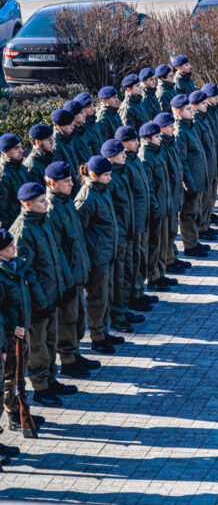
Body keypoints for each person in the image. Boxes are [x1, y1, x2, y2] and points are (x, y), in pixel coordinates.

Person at [10, 182, 72, 407]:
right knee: (38, 345)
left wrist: (63, 286)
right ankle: (40, 387)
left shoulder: (43, 221)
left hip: (51, 294)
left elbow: (54, 257)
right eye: (41, 201)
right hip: (37, 302)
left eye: (46, 199)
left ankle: (51, 379)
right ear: (27, 204)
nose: (47, 203)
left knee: (51, 340)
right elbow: (26, 272)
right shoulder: (23, 230)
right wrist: (41, 301)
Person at [45, 161, 99, 379]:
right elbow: (57, 251)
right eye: (66, 182)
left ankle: (75, 353)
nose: (71, 184)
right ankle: (67, 360)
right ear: (52, 183)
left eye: (70, 180)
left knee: (77, 318)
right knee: (66, 321)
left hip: (77, 272)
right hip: (66, 277)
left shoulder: (65, 202)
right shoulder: (52, 208)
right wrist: (67, 278)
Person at [74, 155, 123, 354]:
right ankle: (96, 336)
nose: (109, 178)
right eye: (106, 175)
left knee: (106, 295)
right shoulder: (87, 197)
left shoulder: (101, 190)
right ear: (93, 175)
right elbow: (79, 232)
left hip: (106, 254)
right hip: (96, 257)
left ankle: (104, 330)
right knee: (97, 298)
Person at [0, 228, 45, 439]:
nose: (13, 247)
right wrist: (11, 327)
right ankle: (13, 414)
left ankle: (21, 407)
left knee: (21, 372)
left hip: (22, 331)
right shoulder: (2, 275)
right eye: (9, 246)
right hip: (10, 336)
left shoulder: (16, 266)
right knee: (10, 377)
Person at [115, 126, 156, 318]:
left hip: (141, 219)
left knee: (140, 258)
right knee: (133, 260)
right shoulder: (126, 167)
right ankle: (132, 296)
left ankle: (138, 291)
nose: (138, 143)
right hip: (133, 223)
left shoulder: (135, 160)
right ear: (123, 144)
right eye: (133, 141)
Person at [99, 139, 135, 335]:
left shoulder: (119, 173)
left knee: (125, 274)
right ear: (111, 157)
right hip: (116, 238)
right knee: (116, 279)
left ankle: (123, 310)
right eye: (121, 153)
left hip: (125, 232)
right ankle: (117, 317)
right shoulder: (109, 181)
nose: (124, 155)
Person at [172, 94, 209, 258]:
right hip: (191, 181)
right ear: (179, 113)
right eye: (188, 109)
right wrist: (189, 184)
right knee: (189, 213)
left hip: (198, 178)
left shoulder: (190, 127)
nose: (191, 111)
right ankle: (189, 244)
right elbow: (184, 161)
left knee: (196, 210)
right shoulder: (180, 132)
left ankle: (194, 240)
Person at [153, 112, 190, 275]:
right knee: (166, 233)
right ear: (161, 129)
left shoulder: (171, 143)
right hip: (165, 197)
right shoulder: (160, 149)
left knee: (172, 230)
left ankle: (171, 257)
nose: (173, 130)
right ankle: (167, 261)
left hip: (173, 193)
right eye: (170, 128)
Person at [138, 123, 172, 294]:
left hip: (163, 204)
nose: (160, 139)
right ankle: (153, 277)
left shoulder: (157, 152)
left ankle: (161, 272)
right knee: (154, 245)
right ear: (148, 139)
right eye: (157, 137)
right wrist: (155, 208)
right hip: (156, 208)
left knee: (162, 243)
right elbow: (149, 187)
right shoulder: (146, 157)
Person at [188, 90, 217, 243]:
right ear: (194, 106)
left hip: (209, 165)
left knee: (208, 197)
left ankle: (205, 224)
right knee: (201, 201)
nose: (206, 105)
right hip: (201, 167)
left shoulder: (203, 119)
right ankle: (201, 228)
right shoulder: (196, 123)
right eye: (203, 104)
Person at [203, 83, 218, 228]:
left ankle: (209, 213)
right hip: (209, 158)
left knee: (213, 188)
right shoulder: (206, 115)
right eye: (212, 98)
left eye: (216, 97)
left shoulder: (215, 111)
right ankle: (206, 216)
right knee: (207, 191)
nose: (215, 100)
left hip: (216, 154)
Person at [0, 134, 30, 229]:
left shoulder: (22, 167)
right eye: (16, 148)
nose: (22, 151)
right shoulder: (3, 176)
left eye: (21, 147)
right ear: (5, 152)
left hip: (28, 220)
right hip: (15, 225)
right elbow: (2, 211)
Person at [51, 109, 82, 198]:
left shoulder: (70, 138)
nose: (73, 127)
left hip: (76, 183)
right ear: (60, 127)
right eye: (69, 125)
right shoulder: (56, 146)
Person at [74, 93, 102, 159]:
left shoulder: (94, 123)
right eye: (88, 107)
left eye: (92, 105)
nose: (92, 108)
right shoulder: (81, 128)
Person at [63, 100, 90, 168]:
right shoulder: (70, 136)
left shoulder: (83, 131)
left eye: (83, 112)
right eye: (81, 113)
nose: (85, 115)